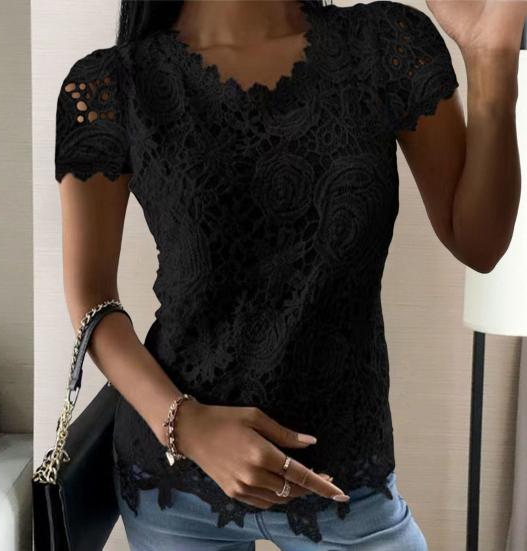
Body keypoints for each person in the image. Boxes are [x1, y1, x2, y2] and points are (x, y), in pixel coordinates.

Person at [53, 0, 524, 549]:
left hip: (345, 477)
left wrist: (492, 61)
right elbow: (91, 296)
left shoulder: (386, 44)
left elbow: (480, 244)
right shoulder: (109, 87)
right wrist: (186, 424)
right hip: (176, 486)